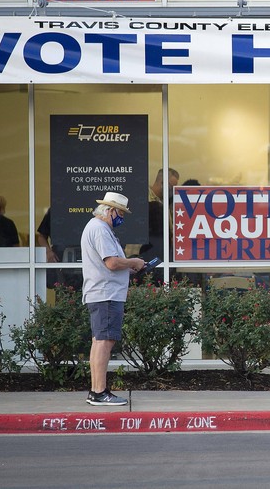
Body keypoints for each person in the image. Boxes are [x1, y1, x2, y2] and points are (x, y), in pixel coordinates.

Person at [81, 192, 145, 406]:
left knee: (99, 341)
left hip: (103, 293)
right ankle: (99, 392)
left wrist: (128, 267)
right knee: (104, 342)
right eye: (120, 213)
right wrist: (133, 261)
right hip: (106, 294)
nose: (122, 217)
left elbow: (112, 264)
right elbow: (111, 263)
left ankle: (96, 390)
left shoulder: (96, 227)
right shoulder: (100, 230)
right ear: (109, 211)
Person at [140, 168, 179, 261]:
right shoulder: (143, 198)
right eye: (171, 187)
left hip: (161, 254)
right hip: (142, 253)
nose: (172, 191)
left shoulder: (165, 203)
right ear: (162, 183)